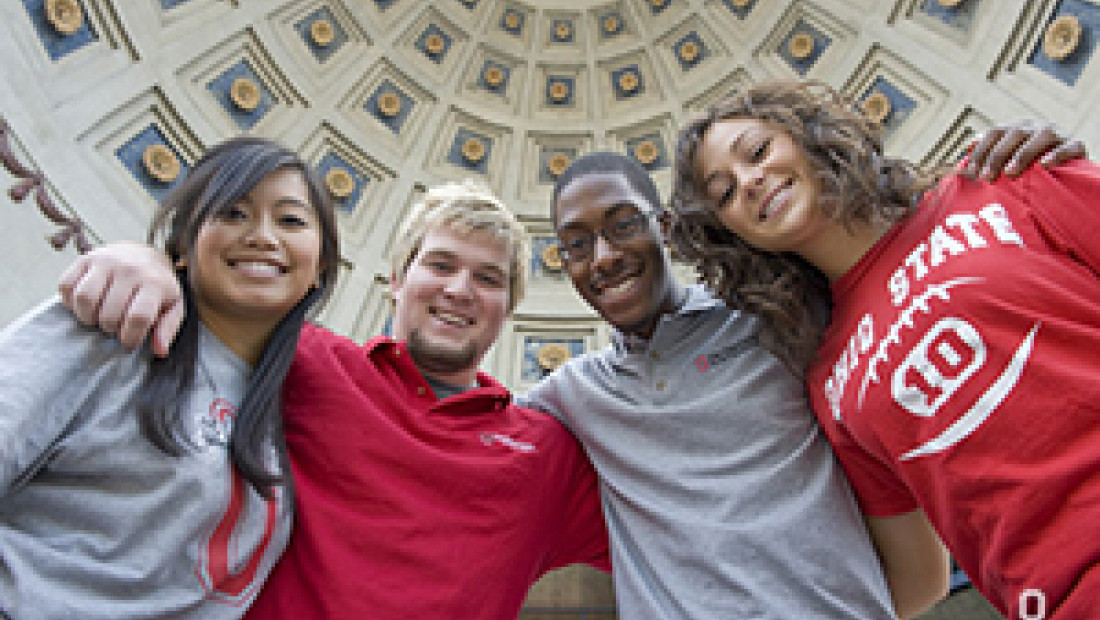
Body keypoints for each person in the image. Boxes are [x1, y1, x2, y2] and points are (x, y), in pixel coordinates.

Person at [54, 122, 1079, 620]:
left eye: (621, 227)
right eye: (574, 243)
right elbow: (239, 304)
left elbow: (875, 286)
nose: (602, 257)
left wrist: (987, 178)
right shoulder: (560, 404)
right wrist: (147, 258)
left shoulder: (779, 327)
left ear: (666, 229)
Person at [667, 80, 1100, 619]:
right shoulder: (827, 382)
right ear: (729, 234)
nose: (751, 182)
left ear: (809, 136)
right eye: (725, 193)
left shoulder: (1002, 180)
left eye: (757, 152)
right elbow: (918, 580)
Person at [0, 136, 341, 619]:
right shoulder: (109, 328)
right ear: (184, 244)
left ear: (320, 267)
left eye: (290, 221)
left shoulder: (305, 401)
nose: (264, 236)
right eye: (233, 213)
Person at [242, 179, 610, 618]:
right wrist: (145, 265)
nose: (459, 290)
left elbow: (677, 528)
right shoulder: (308, 361)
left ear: (506, 310)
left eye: (488, 278)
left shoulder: (548, 455)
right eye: (440, 265)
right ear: (397, 279)